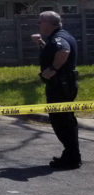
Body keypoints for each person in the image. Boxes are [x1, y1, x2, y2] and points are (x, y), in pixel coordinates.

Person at [33, 10, 81, 169]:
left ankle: (72, 157)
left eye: (40, 21)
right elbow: (55, 50)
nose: (38, 24)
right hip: (65, 84)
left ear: (48, 23)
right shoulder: (59, 36)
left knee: (61, 121)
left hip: (61, 86)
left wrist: (52, 69)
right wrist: (41, 44)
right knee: (66, 120)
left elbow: (63, 51)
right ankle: (71, 155)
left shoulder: (59, 38)